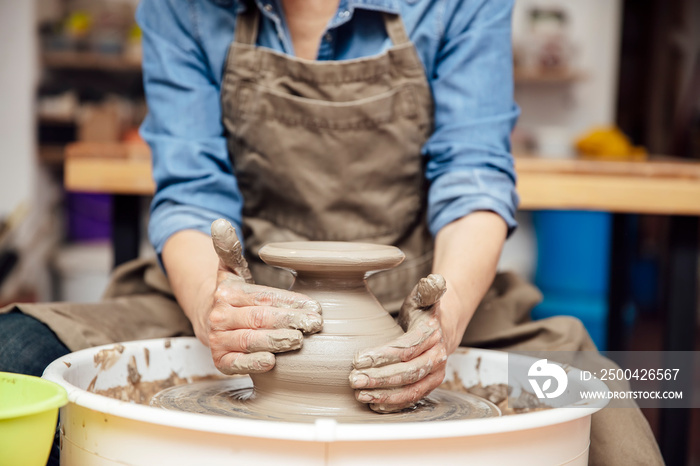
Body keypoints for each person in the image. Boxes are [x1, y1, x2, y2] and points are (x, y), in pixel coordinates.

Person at [0, 0, 663, 463]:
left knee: (607, 404)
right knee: (15, 352)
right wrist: (210, 305)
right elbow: (192, 193)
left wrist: (447, 318)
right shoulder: (187, 4)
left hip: (423, 293)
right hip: (236, 289)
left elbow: (474, 176)